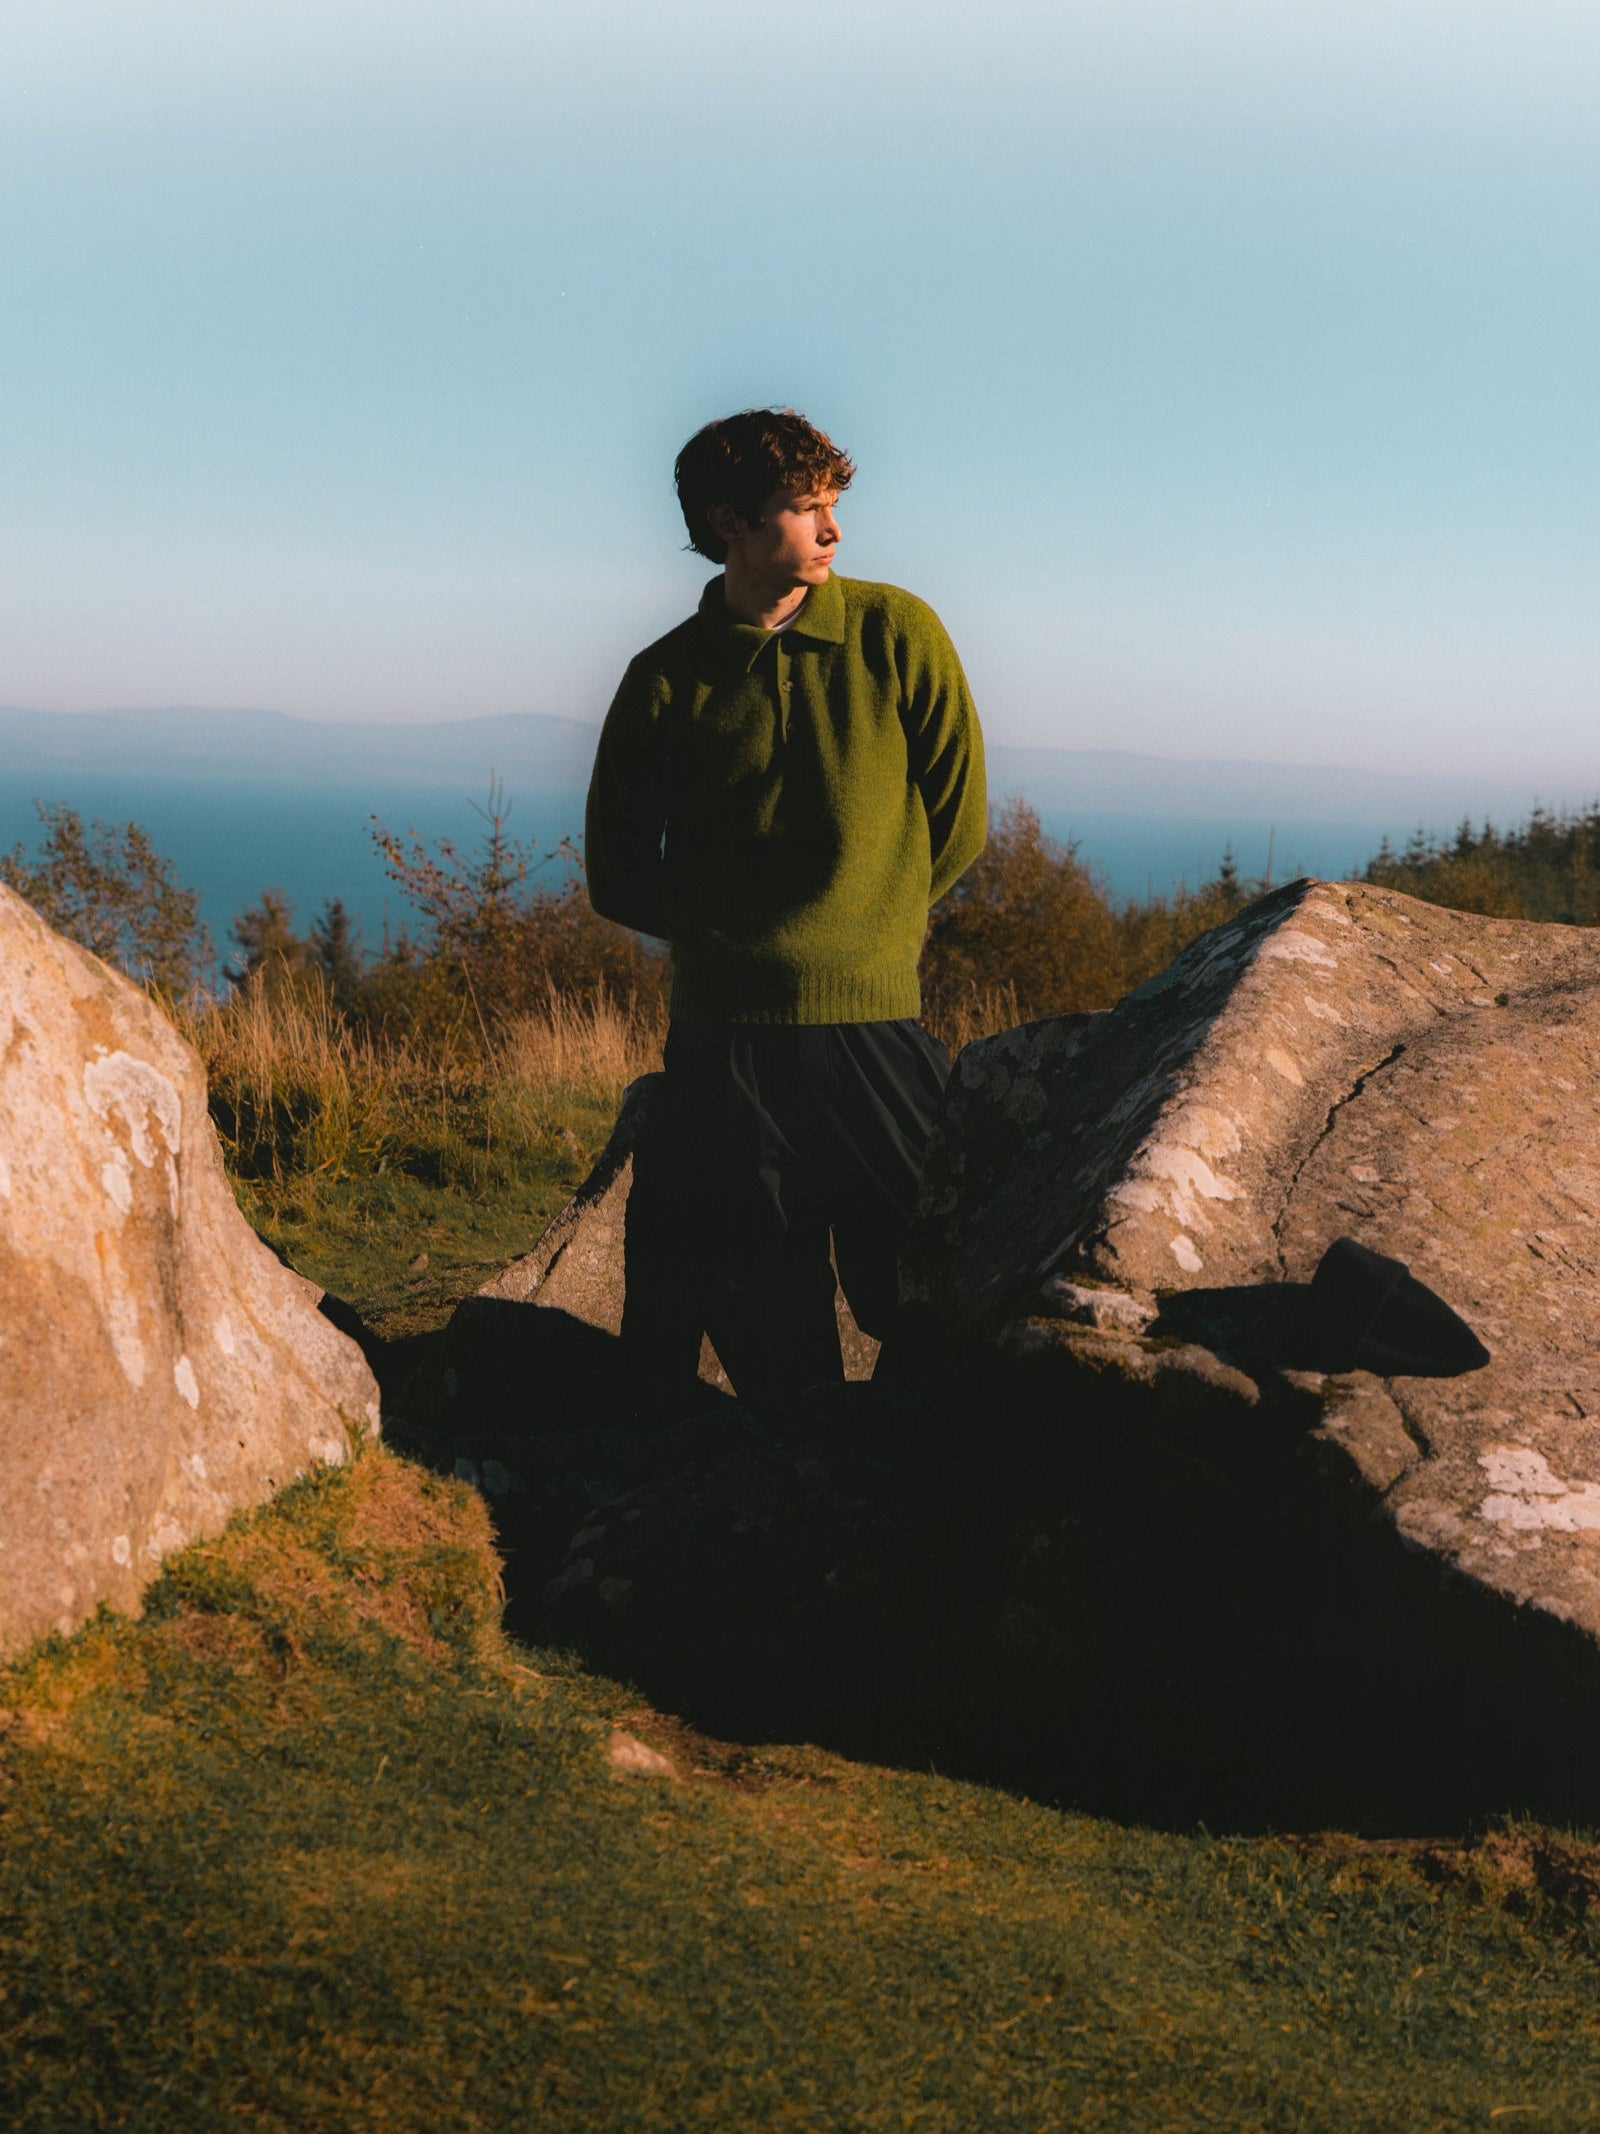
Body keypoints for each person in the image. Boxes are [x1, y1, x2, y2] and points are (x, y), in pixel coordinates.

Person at [585, 407, 986, 1410]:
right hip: (727, 1046)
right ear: (728, 521)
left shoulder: (899, 633)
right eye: (806, 509)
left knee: (931, 1301)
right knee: (770, 1327)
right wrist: (738, 945)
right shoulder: (663, 680)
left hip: (877, 1030)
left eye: (833, 505)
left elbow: (961, 821)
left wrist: (867, 931)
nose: (832, 530)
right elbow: (618, 871)